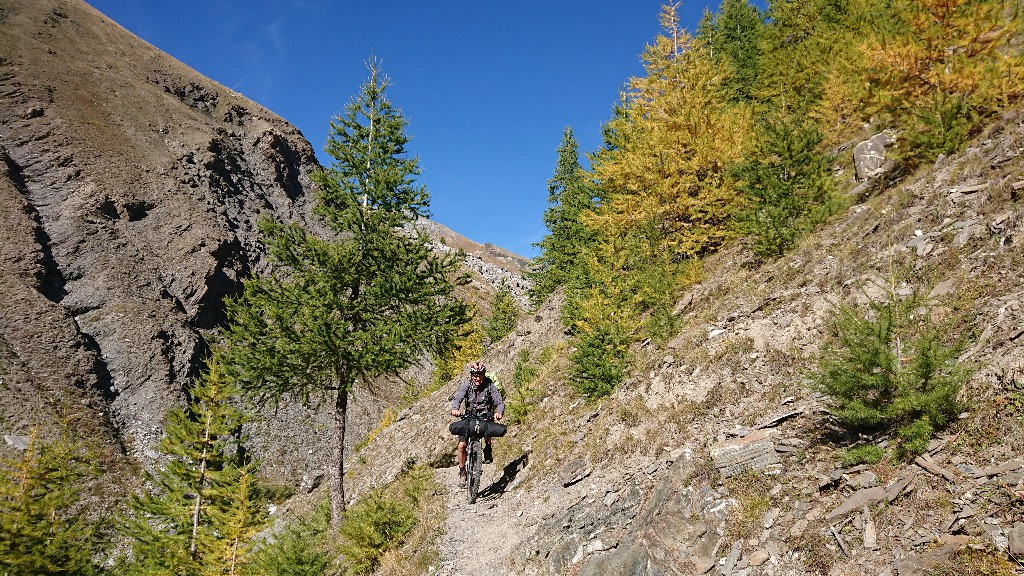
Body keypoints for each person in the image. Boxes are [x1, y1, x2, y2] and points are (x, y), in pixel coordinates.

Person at [449, 361, 505, 485]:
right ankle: (462, 471)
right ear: (471, 375)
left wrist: (499, 412)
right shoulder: (467, 385)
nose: (477, 377)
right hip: (469, 416)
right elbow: (458, 397)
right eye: (475, 375)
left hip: (485, 416)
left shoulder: (490, 385)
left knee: (489, 424)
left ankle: (488, 448)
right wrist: (455, 409)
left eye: (480, 374)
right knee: (462, 445)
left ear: (484, 375)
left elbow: (499, 402)